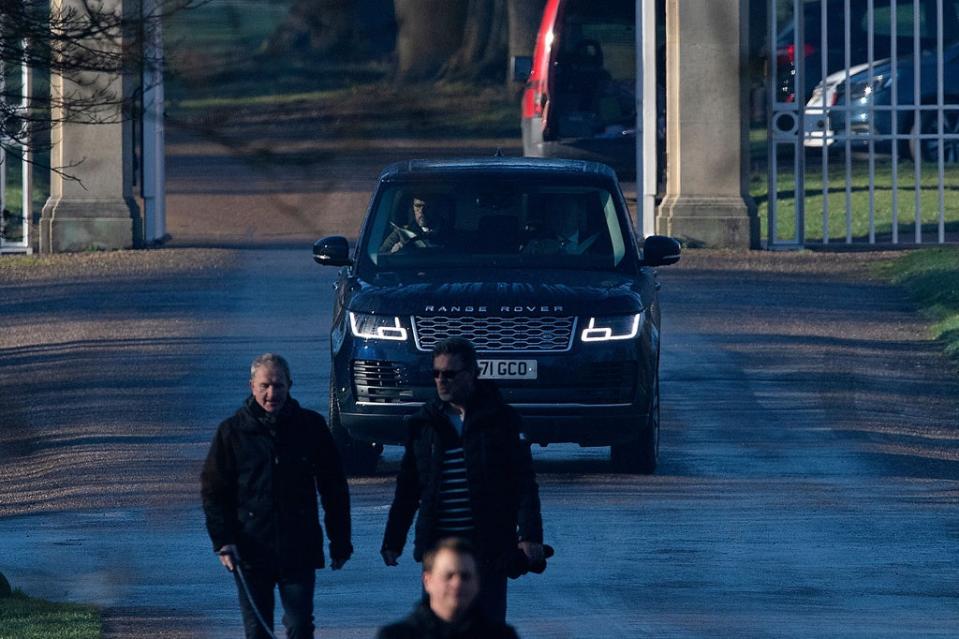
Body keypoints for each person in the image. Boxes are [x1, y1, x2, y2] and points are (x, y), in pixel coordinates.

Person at [381, 337, 544, 623]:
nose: (441, 381)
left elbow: (523, 483)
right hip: (439, 548)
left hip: (488, 547)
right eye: (436, 373)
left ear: (471, 374)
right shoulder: (425, 423)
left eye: (449, 374)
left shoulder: (500, 420)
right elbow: (408, 488)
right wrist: (394, 539)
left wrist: (529, 536)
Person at [201, 353, 353, 639]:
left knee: (300, 627)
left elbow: (333, 487)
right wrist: (223, 540)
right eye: (265, 386)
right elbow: (214, 491)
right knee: (258, 630)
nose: (272, 394)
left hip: (298, 547)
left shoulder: (310, 427)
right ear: (252, 386)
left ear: (290, 385)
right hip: (250, 550)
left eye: (279, 386)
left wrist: (340, 541)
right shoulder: (232, 432)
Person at [376, 538, 520, 639]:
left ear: (477, 582)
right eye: (448, 575)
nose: (457, 583)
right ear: (428, 580)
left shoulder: (503, 636)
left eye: (465, 576)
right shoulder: (396, 636)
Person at [522, 196, 599, 255]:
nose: (561, 216)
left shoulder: (596, 244)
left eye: (567, 211)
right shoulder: (538, 242)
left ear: (579, 214)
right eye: (556, 212)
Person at [379, 196, 449, 253]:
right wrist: (394, 252)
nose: (422, 211)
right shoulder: (400, 233)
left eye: (427, 207)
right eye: (418, 206)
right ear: (413, 208)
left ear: (435, 208)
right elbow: (380, 256)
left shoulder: (449, 233)